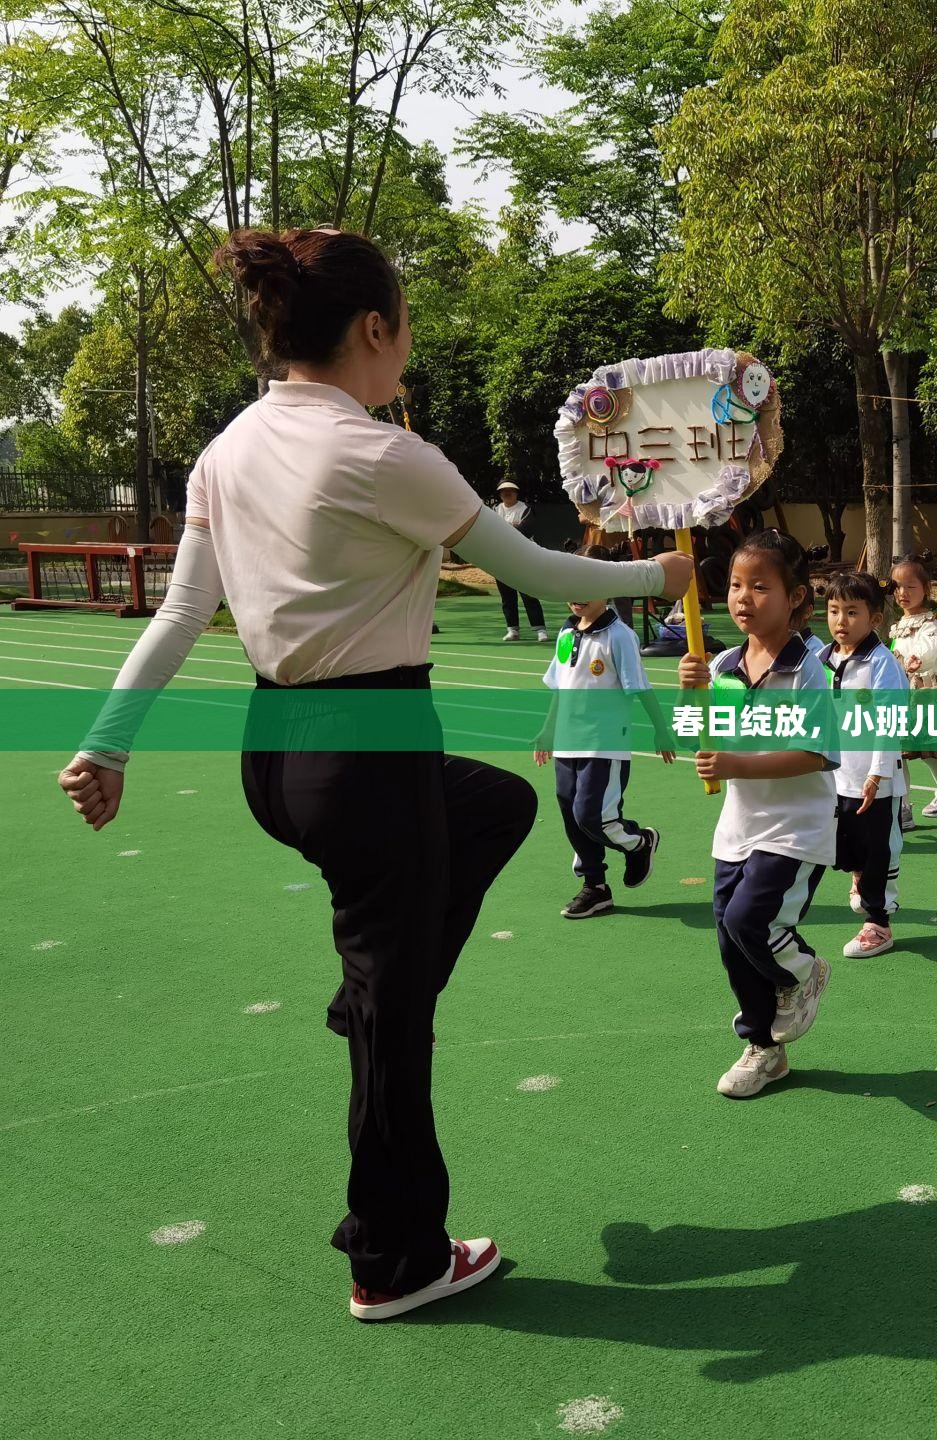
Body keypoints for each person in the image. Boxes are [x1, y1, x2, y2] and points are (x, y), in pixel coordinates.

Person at [57, 226, 691, 1321]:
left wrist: (107, 741)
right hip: (368, 756)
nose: (408, 349)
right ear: (370, 328)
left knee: (494, 804)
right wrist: (659, 570)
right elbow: (529, 566)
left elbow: (179, 612)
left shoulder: (231, 448)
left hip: (279, 755)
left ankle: (367, 1004)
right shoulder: (382, 453)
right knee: (399, 1029)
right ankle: (394, 1259)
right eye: (404, 328)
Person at [678, 531, 837, 1100]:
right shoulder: (722, 662)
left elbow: (817, 754)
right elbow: (704, 737)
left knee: (752, 923)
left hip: (797, 830)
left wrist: (735, 761)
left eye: (760, 587)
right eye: (735, 586)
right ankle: (764, 1048)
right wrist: (691, 696)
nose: (743, 598)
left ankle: (803, 971)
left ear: (795, 597)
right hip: (739, 828)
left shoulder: (809, 669)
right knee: (729, 938)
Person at [532, 553, 673, 920]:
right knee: (569, 812)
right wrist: (547, 731)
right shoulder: (566, 633)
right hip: (567, 743)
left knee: (591, 815)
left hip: (604, 745)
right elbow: (560, 688)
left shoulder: (620, 636)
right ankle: (595, 887)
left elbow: (640, 688)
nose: (578, 594)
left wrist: (662, 730)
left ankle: (639, 842)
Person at [823, 570, 910, 960]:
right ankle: (860, 877)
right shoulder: (822, 658)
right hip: (835, 776)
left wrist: (878, 772)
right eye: (834, 611)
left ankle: (879, 923)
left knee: (880, 850)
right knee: (846, 846)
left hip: (875, 779)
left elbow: (890, 721)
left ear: (875, 619)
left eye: (852, 613)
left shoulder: (882, 663)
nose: (842, 622)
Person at [889, 558, 937, 821]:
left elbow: (929, 653)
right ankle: (903, 806)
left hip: (924, 693)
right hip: (902, 693)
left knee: (929, 749)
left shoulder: (929, 622)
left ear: (926, 589)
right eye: (897, 587)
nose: (903, 593)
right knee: (900, 752)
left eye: (910, 586)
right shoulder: (898, 624)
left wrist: (915, 660)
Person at [492, 482, 549, 643]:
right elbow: (491, 530)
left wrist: (504, 529)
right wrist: (509, 528)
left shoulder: (526, 509)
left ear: (516, 493)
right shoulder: (495, 510)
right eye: (503, 492)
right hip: (501, 557)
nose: (507, 494)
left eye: (510, 491)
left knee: (529, 593)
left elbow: (525, 530)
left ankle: (540, 629)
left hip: (523, 556)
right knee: (507, 596)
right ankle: (512, 630)